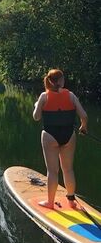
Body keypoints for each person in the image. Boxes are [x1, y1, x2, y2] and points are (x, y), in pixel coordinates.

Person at [33, 69, 88, 209]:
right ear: (60, 81)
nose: (64, 81)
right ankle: (71, 200)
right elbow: (84, 116)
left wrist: (37, 106)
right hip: (68, 136)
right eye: (63, 79)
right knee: (68, 169)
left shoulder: (44, 96)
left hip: (49, 136)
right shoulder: (71, 96)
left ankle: (50, 203)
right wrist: (83, 127)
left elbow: (36, 117)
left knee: (52, 171)